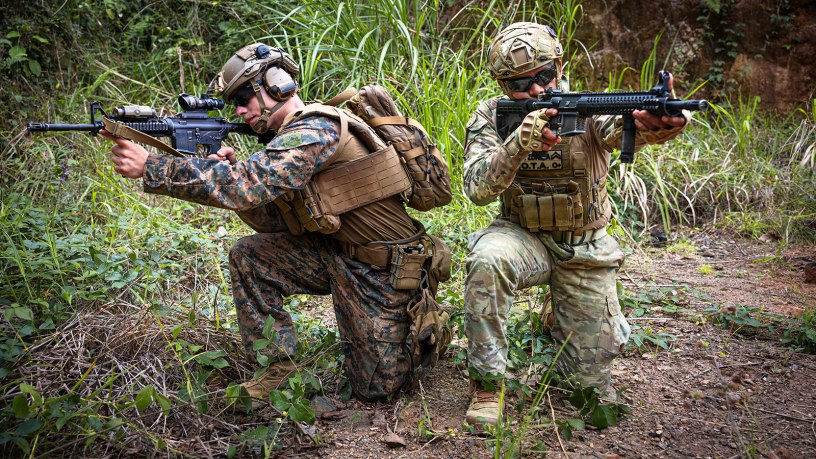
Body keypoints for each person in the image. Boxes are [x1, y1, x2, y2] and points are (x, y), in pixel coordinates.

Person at [100, 43, 450, 401]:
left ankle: (424, 319)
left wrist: (153, 167)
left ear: (276, 85)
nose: (239, 111)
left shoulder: (315, 129)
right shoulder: (291, 136)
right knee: (250, 256)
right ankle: (277, 369)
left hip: (382, 270)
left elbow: (247, 185)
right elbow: (274, 220)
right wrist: (228, 172)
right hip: (338, 254)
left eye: (243, 98)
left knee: (379, 389)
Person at [462, 22, 690, 426]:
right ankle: (487, 385)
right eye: (521, 84)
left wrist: (656, 124)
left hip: (583, 247)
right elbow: (477, 188)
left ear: (560, 67)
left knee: (585, 393)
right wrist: (518, 144)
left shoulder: (587, 107)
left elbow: (621, 126)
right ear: (502, 85)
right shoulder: (492, 115)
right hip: (522, 237)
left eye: (545, 75)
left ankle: (559, 312)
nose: (537, 89)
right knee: (487, 260)